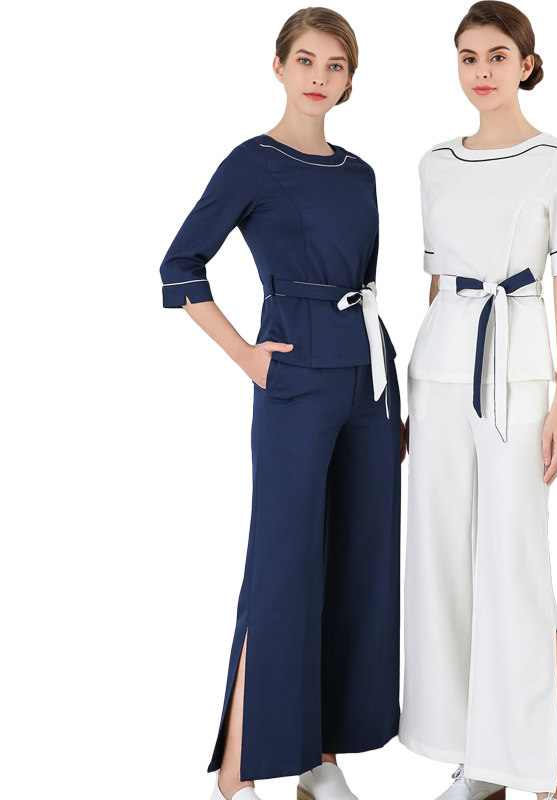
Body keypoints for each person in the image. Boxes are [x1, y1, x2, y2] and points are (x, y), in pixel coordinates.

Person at [157, 8, 403, 800]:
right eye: (306, 61)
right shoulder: (252, 163)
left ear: (350, 80)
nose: (319, 78)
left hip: (369, 381)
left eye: (335, 66)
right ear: (278, 67)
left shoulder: (361, 172)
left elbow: (367, 283)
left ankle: (319, 757)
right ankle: (239, 767)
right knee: (283, 564)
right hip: (293, 377)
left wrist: (391, 394)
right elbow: (180, 266)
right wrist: (246, 357)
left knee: (357, 562)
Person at [398, 3, 557, 799]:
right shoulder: (434, 162)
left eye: (497, 55)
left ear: (526, 64)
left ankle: (543, 771)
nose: (481, 71)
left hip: (517, 379)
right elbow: (436, 284)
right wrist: (410, 401)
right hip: (438, 379)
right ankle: (477, 761)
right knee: (443, 564)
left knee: (516, 566)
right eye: (468, 56)